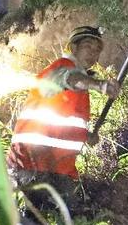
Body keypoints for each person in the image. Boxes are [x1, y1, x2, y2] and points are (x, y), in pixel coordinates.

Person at [7, 26, 120, 188]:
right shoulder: (61, 67)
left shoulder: (81, 83)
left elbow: (61, 122)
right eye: (88, 46)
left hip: (58, 172)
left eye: (97, 50)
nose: (93, 53)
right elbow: (67, 78)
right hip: (31, 166)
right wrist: (100, 85)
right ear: (73, 47)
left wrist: (85, 135)